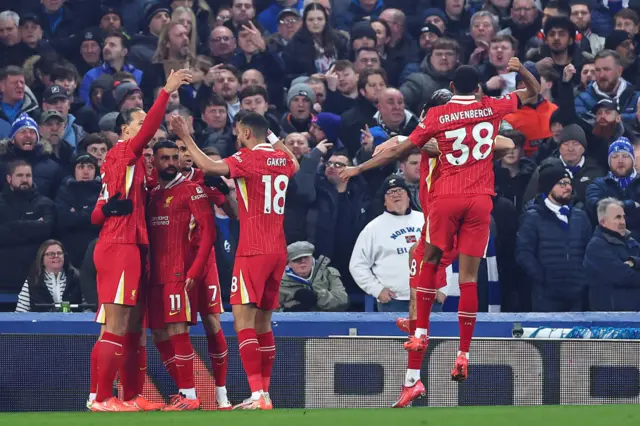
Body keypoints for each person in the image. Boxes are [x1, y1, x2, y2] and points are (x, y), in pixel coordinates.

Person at [339, 57, 540, 387]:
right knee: (459, 274)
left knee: (425, 260)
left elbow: (395, 147)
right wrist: (518, 69)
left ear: (450, 89)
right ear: (477, 88)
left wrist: (359, 168)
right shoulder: (490, 107)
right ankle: (458, 353)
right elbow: (527, 101)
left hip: (446, 205)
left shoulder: (437, 120)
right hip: (478, 202)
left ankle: (419, 330)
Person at [178, 112, 299, 409]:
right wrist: (272, 136)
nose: (236, 138)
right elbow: (295, 162)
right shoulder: (282, 160)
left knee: (243, 321)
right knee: (264, 323)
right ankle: (265, 393)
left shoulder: (246, 158)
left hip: (253, 249)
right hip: (278, 250)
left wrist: (185, 136)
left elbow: (209, 166)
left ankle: (257, 394)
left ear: (245, 133)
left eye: (238, 133)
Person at [88, 69, 191, 412]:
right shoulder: (122, 152)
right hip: (119, 247)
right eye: (140, 120)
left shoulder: (130, 164)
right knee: (116, 326)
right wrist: (166, 91)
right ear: (125, 130)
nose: (147, 124)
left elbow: (100, 209)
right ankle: (102, 398)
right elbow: (149, 132)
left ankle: (128, 395)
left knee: (132, 328)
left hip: (130, 247)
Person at [146, 140, 215, 410]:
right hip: (154, 276)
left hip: (178, 273)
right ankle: (184, 392)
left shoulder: (191, 190)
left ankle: (189, 396)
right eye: (165, 158)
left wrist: (195, 271)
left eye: (175, 158)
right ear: (154, 161)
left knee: (177, 329)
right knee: (159, 335)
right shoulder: (151, 193)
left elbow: (209, 232)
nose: (171, 163)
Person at [350, 176, 423, 313]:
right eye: (390, 192)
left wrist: (442, 289)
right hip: (393, 302)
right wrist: (377, 290)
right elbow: (357, 264)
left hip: (428, 297)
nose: (396, 194)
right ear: (384, 201)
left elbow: (443, 255)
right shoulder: (373, 228)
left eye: (400, 190)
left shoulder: (425, 221)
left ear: (408, 196)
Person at [15, 240, 81, 312]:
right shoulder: (32, 281)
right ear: (42, 258)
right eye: (51, 254)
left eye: (59, 253)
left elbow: (88, 310)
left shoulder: (77, 278)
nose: (56, 256)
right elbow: (20, 312)